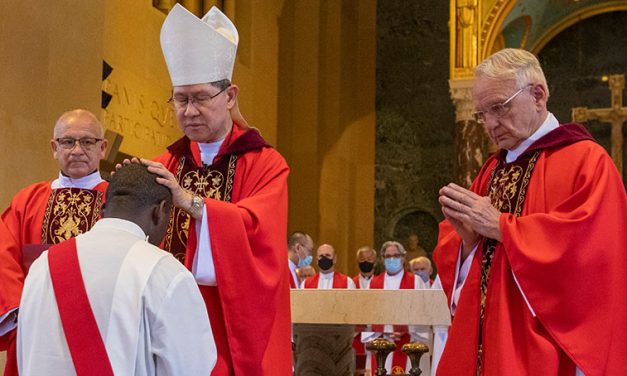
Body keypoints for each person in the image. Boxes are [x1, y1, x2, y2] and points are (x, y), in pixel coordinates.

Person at [433, 48, 627, 376]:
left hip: (544, 351)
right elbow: (467, 262)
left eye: (498, 108)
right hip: (489, 342)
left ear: (538, 94)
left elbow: (594, 256)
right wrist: (468, 245)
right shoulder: (492, 170)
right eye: (482, 114)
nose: (490, 125)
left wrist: (502, 227)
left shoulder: (587, 161)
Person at [139, 5, 292, 375]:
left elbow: (259, 234)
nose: (189, 110)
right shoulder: (165, 164)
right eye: (180, 98)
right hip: (167, 327)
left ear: (230, 96)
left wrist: (191, 203)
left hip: (230, 326)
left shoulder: (265, 163)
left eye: (201, 98)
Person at [17, 163, 216, 375]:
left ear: (103, 210)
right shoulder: (165, 272)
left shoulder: (43, 264)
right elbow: (192, 368)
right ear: (160, 211)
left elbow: (25, 352)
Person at [0, 109, 108, 376]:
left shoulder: (118, 200)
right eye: (68, 141)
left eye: (88, 142)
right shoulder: (28, 200)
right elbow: (4, 255)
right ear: (54, 147)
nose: (77, 150)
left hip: (98, 324)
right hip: (35, 324)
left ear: (103, 148)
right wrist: (19, 310)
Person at [366, 241, 429, 375]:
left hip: (407, 341)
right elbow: (368, 314)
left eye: (396, 255)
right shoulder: (374, 282)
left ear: (403, 257)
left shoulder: (415, 281)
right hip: (381, 341)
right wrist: (381, 330)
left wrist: (406, 329)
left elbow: (422, 312)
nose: (392, 259)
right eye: (387, 256)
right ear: (382, 259)